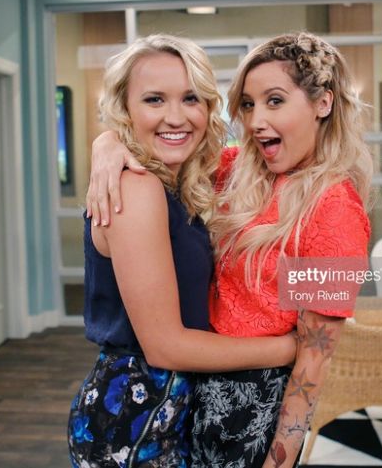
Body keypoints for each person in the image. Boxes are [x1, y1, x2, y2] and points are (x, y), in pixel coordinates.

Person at [87, 32, 372, 468]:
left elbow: (314, 362)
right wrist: (107, 143)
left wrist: (279, 461)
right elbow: (169, 147)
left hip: (256, 407)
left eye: (275, 101)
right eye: (249, 104)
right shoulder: (239, 169)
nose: (256, 121)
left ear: (323, 103)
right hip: (192, 395)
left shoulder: (337, 209)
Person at [67, 34, 297, 468]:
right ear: (125, 109)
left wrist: (107, 143)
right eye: (154, 99)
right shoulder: (137, 189)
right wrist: (290, 348)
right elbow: (165, 347)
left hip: (171, 411)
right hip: (134, 422)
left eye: (190, 98)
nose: (176, 116)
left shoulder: (182, 181)